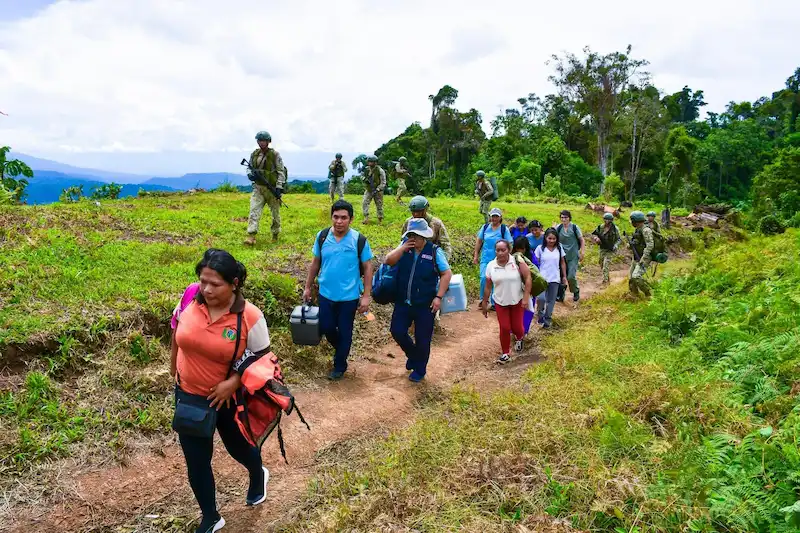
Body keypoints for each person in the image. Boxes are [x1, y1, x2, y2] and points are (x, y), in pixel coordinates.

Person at [171, 249, 271, 533]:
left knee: (238, 448)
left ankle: (257, 473)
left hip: (227, 399)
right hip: (189, 396)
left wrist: (233, 383)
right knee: (197, 461)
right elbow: (176, 328)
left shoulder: (249, 316)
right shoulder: (190, 296)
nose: (206, 289)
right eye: (203, 281)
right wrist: (173, 366)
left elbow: (263, 359)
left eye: (215, 284)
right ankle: (211, 516)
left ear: (234, 283)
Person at [303, 200, 374, 380]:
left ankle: (340, 365)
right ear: (331, 217)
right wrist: (307, 287)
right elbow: (315, 263)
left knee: (345, 331)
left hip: (349, 296)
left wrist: (366, 296)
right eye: (336, 217)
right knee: (326, 327)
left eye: (344, 218)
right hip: (326, 293)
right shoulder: (322, 236)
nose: (339, 221)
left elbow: (368, 267)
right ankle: (342, 349)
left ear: (351, 219)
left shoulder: (359, 240)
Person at [384, 218, 453, 381]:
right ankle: (413, 355)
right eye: (411, 235)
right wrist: (402, 248)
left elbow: (446, 274)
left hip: (425, 304)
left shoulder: (434, 251)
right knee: (397, 331)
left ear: (425, 236)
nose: (414, 239)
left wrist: (438, 297)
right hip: (403, 301)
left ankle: (420, 370)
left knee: (423, 338)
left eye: (417, 236)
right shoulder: (404, 248)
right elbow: (388, 261)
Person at [481, 240, 532, 363]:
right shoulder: (491, 266)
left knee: (517, 327)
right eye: (498, 250)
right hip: (500, 302)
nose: (500, 253)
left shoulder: (517, 262)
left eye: (503, 250)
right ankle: (505, 353)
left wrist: (526, 297)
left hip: (517, 301)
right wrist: (484, 302)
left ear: (508, 250)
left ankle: (519, 338)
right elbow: (488, 286)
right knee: (504, 327)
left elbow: (528, 278)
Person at [244, 131, 287, 245]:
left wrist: (279, 187)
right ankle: (251, 235)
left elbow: (281, 171)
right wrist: (250, 174)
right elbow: (249, 167)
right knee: (254, 211)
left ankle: (275, 234)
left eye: (264, 140)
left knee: (275, 214)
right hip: (258, 188)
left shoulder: (275, 155)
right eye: (260, 140)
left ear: (268, 141)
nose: (262, 143)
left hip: (272, 188)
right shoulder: (254, 154)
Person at [473, 207, 513, 303]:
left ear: (500, 217)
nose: (494, 218)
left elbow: (510, 244)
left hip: (499, 259)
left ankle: (494, 302)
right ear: (490, 217)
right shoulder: (485, 227)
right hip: (485, 258)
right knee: (484, 278)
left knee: (496, 280)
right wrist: (476, 255)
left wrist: (507, 257)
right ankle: (483, 300)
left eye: (496, 216)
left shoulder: (504, 229)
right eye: (493, 216)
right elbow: (479, 241)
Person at [534, 229, 568, 329]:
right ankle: (540, 313)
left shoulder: (559, 248)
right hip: (542, 278)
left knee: (551, 301)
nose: (551, 241)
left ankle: (547, 319)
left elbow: (562, 262)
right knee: (541, 298)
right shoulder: (540, 248)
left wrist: (564, 276)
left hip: (555, 278)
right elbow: (535, 263)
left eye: (554, 239)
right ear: (545, 238)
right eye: (549, 238)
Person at [400, 195, 453, 260]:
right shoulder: (409, 222)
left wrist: (443, 261)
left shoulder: (436, 223)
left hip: (431, 258)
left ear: (425, 209)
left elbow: (445, 244)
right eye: (413, 211)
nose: (416, 214)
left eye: (419, 211)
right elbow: (403, 241)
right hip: (412, 257)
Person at [555, 210, 584, 303]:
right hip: (561, 256)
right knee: (561, 276)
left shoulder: (575, 227)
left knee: (571, 276)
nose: (564, 219)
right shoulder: (559, 228)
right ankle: (561, 294)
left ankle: (575, 291)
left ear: (569, 218)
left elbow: (581, 240)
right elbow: (551, 237)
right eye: (562, 217)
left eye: (565, 217)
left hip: (573, 255)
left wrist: (582, 252)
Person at [628, 210, 654, 298]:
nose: (632, 223)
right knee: (631, 278)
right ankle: (634, 295)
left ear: (636, 221)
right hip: (636, 256)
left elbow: (650, 245)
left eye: (632, 221)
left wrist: (644, 257)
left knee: (636, 276)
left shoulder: (646, 230)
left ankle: (648, 294)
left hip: (644, 257)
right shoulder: (638, 229)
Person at [591, 213, 621, 284]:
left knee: (606, 264)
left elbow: (619, 239)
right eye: (605, 219)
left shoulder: (615, 229)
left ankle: (605, 281)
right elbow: (594, 234)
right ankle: (607, 276)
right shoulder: (601, 227)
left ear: (611, 220)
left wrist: (616, 245)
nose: (606, 221)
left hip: (611, 249)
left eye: (608, 220)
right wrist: (596, 238)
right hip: (602, 248)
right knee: (601, 262)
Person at [362, 155, 386, 224]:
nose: (369, 163)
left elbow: (383, 182)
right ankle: (366, 218)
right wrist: (364, 179)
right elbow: (362, 176)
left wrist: (378, 189)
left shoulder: (380, 171)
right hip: (369, 189)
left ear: (375, 162)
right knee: (365, 202)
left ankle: (380, 219)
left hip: (378, 191)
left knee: (379, 205)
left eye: (371, 162)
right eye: (369, 161)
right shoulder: (367, 169)